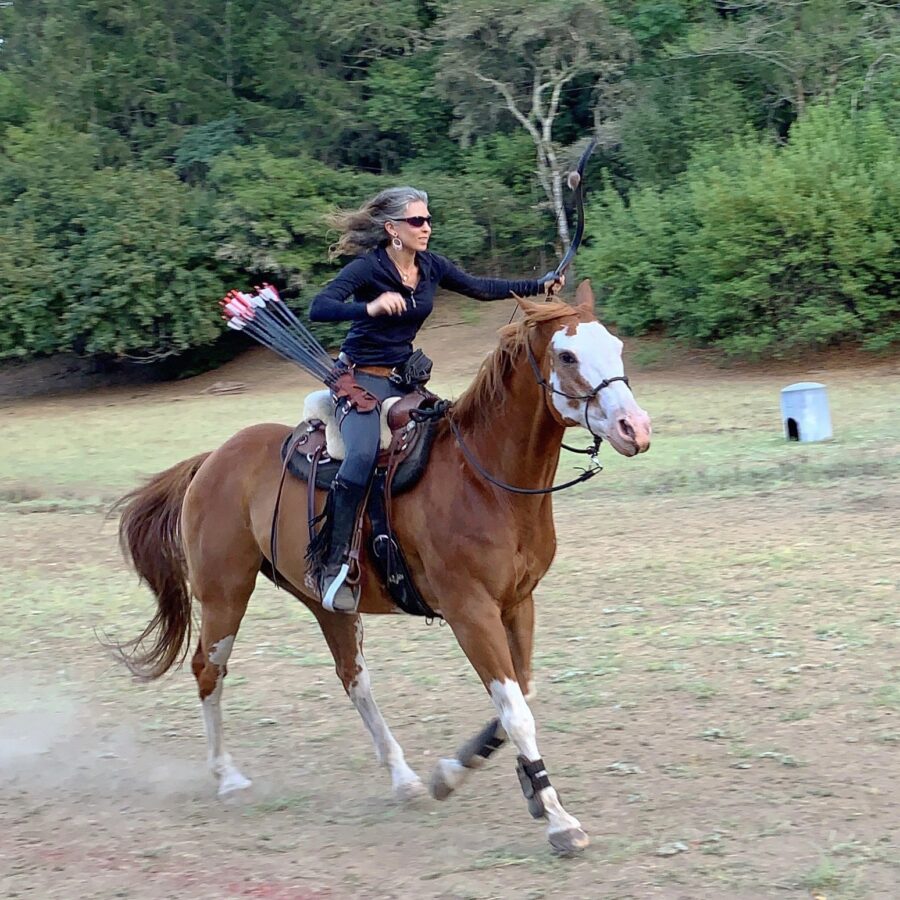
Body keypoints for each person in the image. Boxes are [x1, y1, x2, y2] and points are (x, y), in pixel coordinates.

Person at [308, 186, 563, 613]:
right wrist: (368, 309)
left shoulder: (430, 266)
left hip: (404, 382)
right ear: (392, 229)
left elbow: (481, 288)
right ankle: (333, 564)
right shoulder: (366, 269)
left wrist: (538, 284)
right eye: (417, 221)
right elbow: (321, 307)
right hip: (359, 381)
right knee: (361, 455)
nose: (427, 228)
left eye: (428, 220)